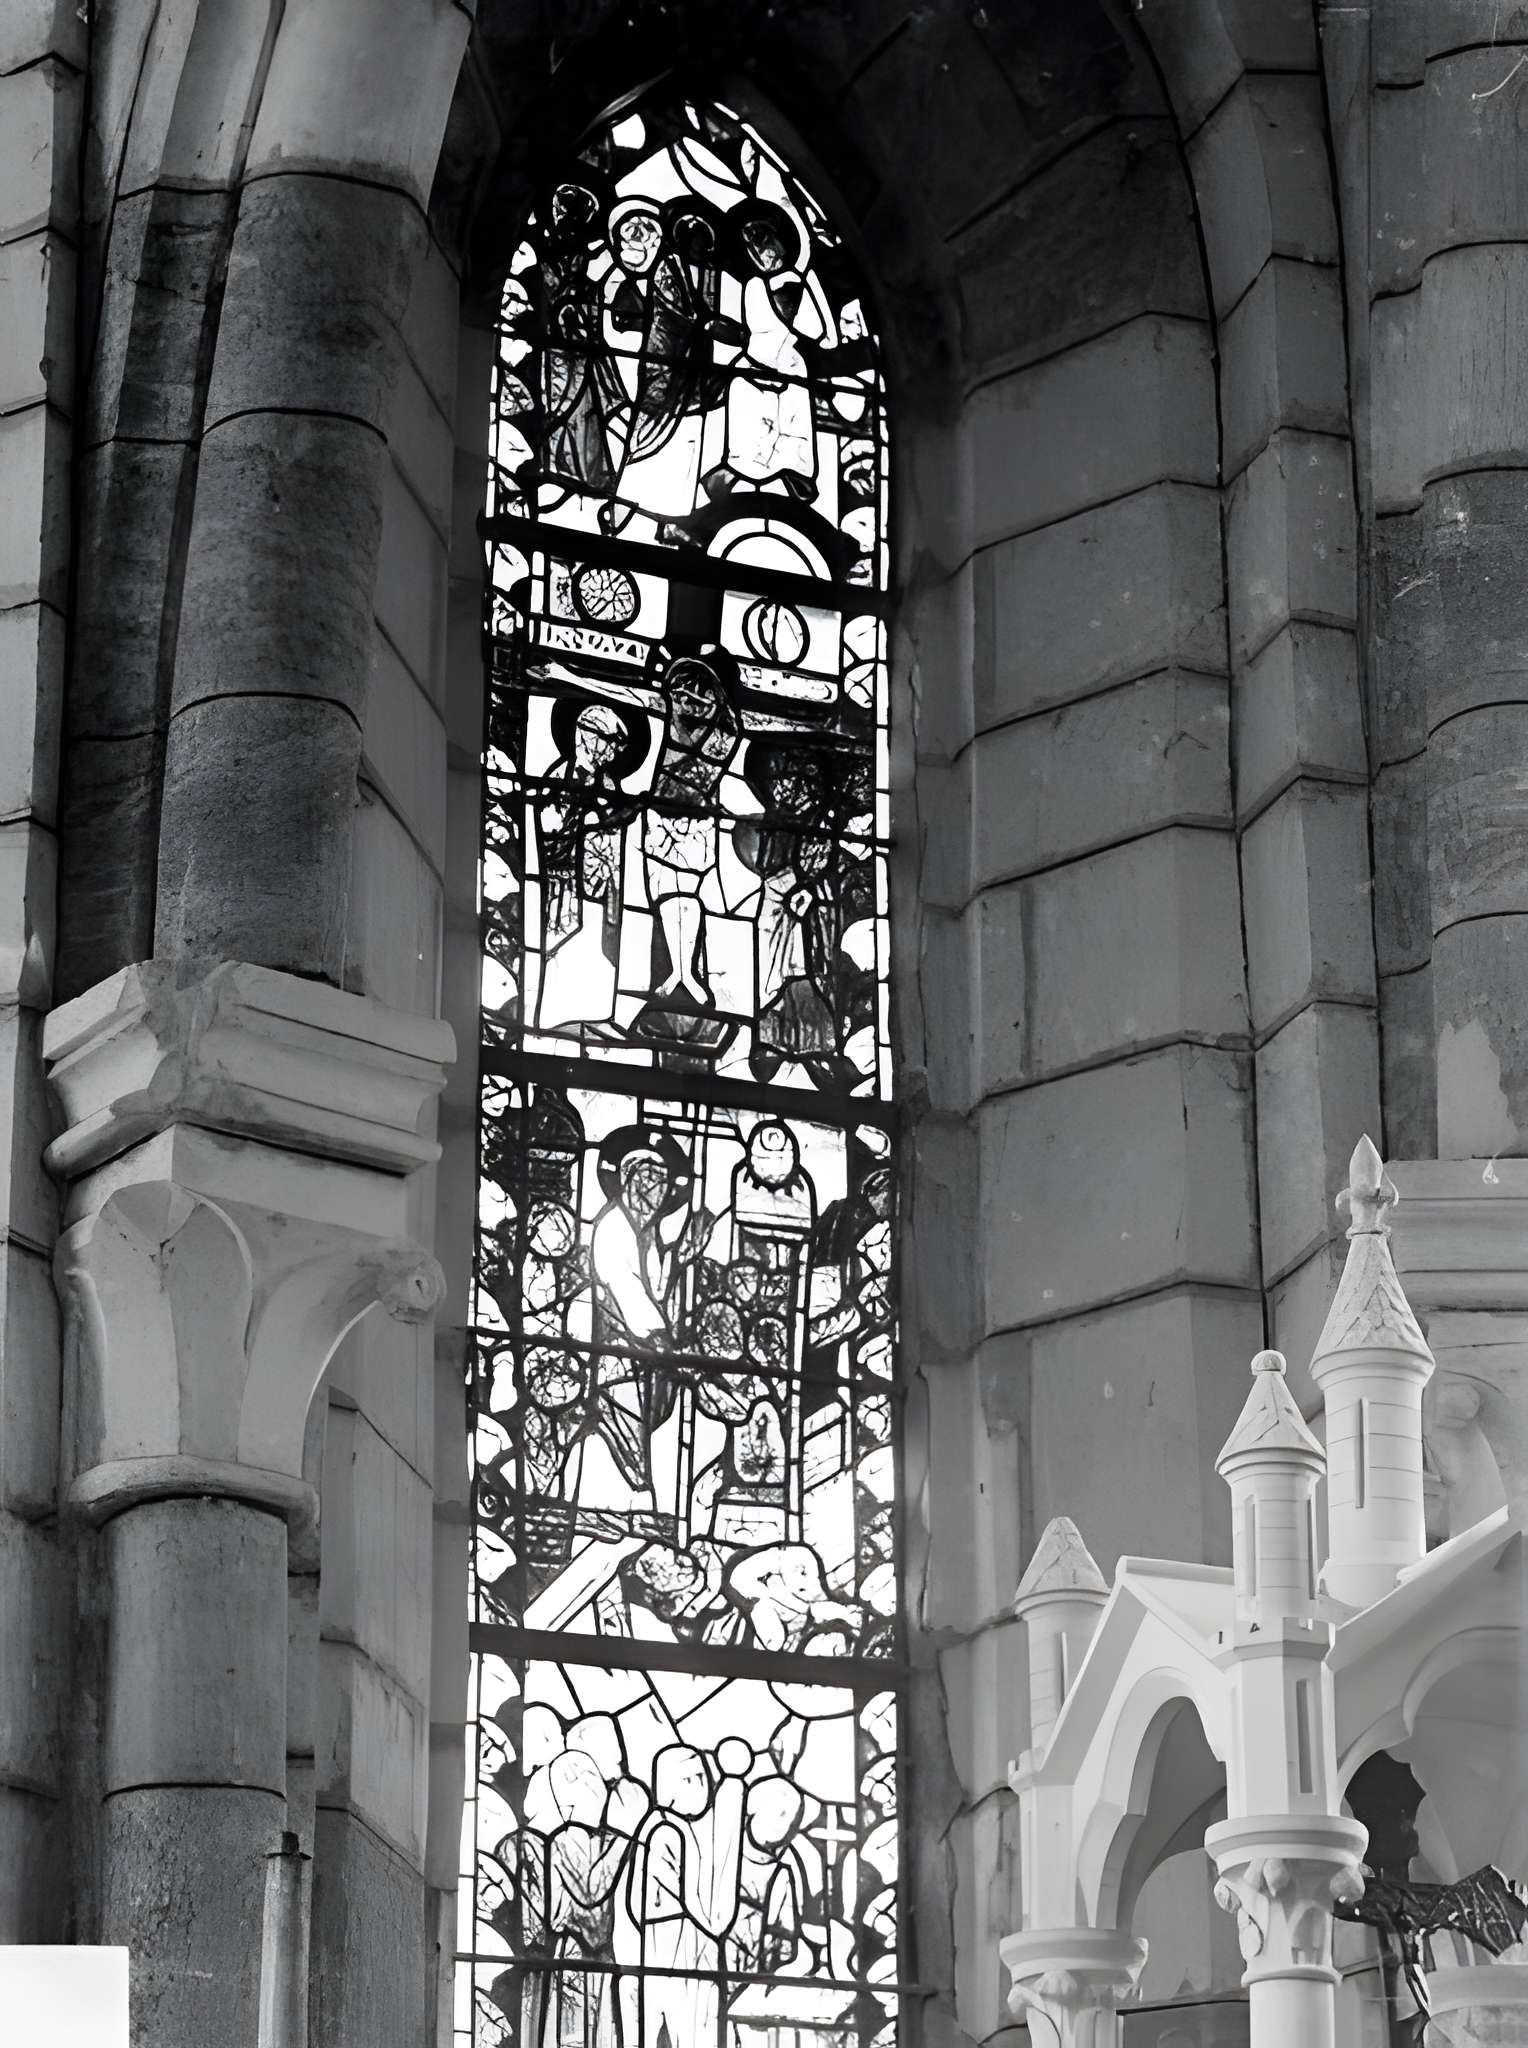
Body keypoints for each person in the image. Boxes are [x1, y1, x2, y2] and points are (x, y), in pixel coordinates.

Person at [535, 701, 641, 1036]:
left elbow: (608, 827)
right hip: (565, 883)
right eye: (610, 742)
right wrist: (595, 822)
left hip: (601, 883)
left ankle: (595, 1016)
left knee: (598, 951)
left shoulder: (608, 782)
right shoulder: (560, 776)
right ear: (586, 736)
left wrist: (615, 822)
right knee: (564, 948)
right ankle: (557, 1018)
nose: (613, 751)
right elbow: (549, 828)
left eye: (617, 745)